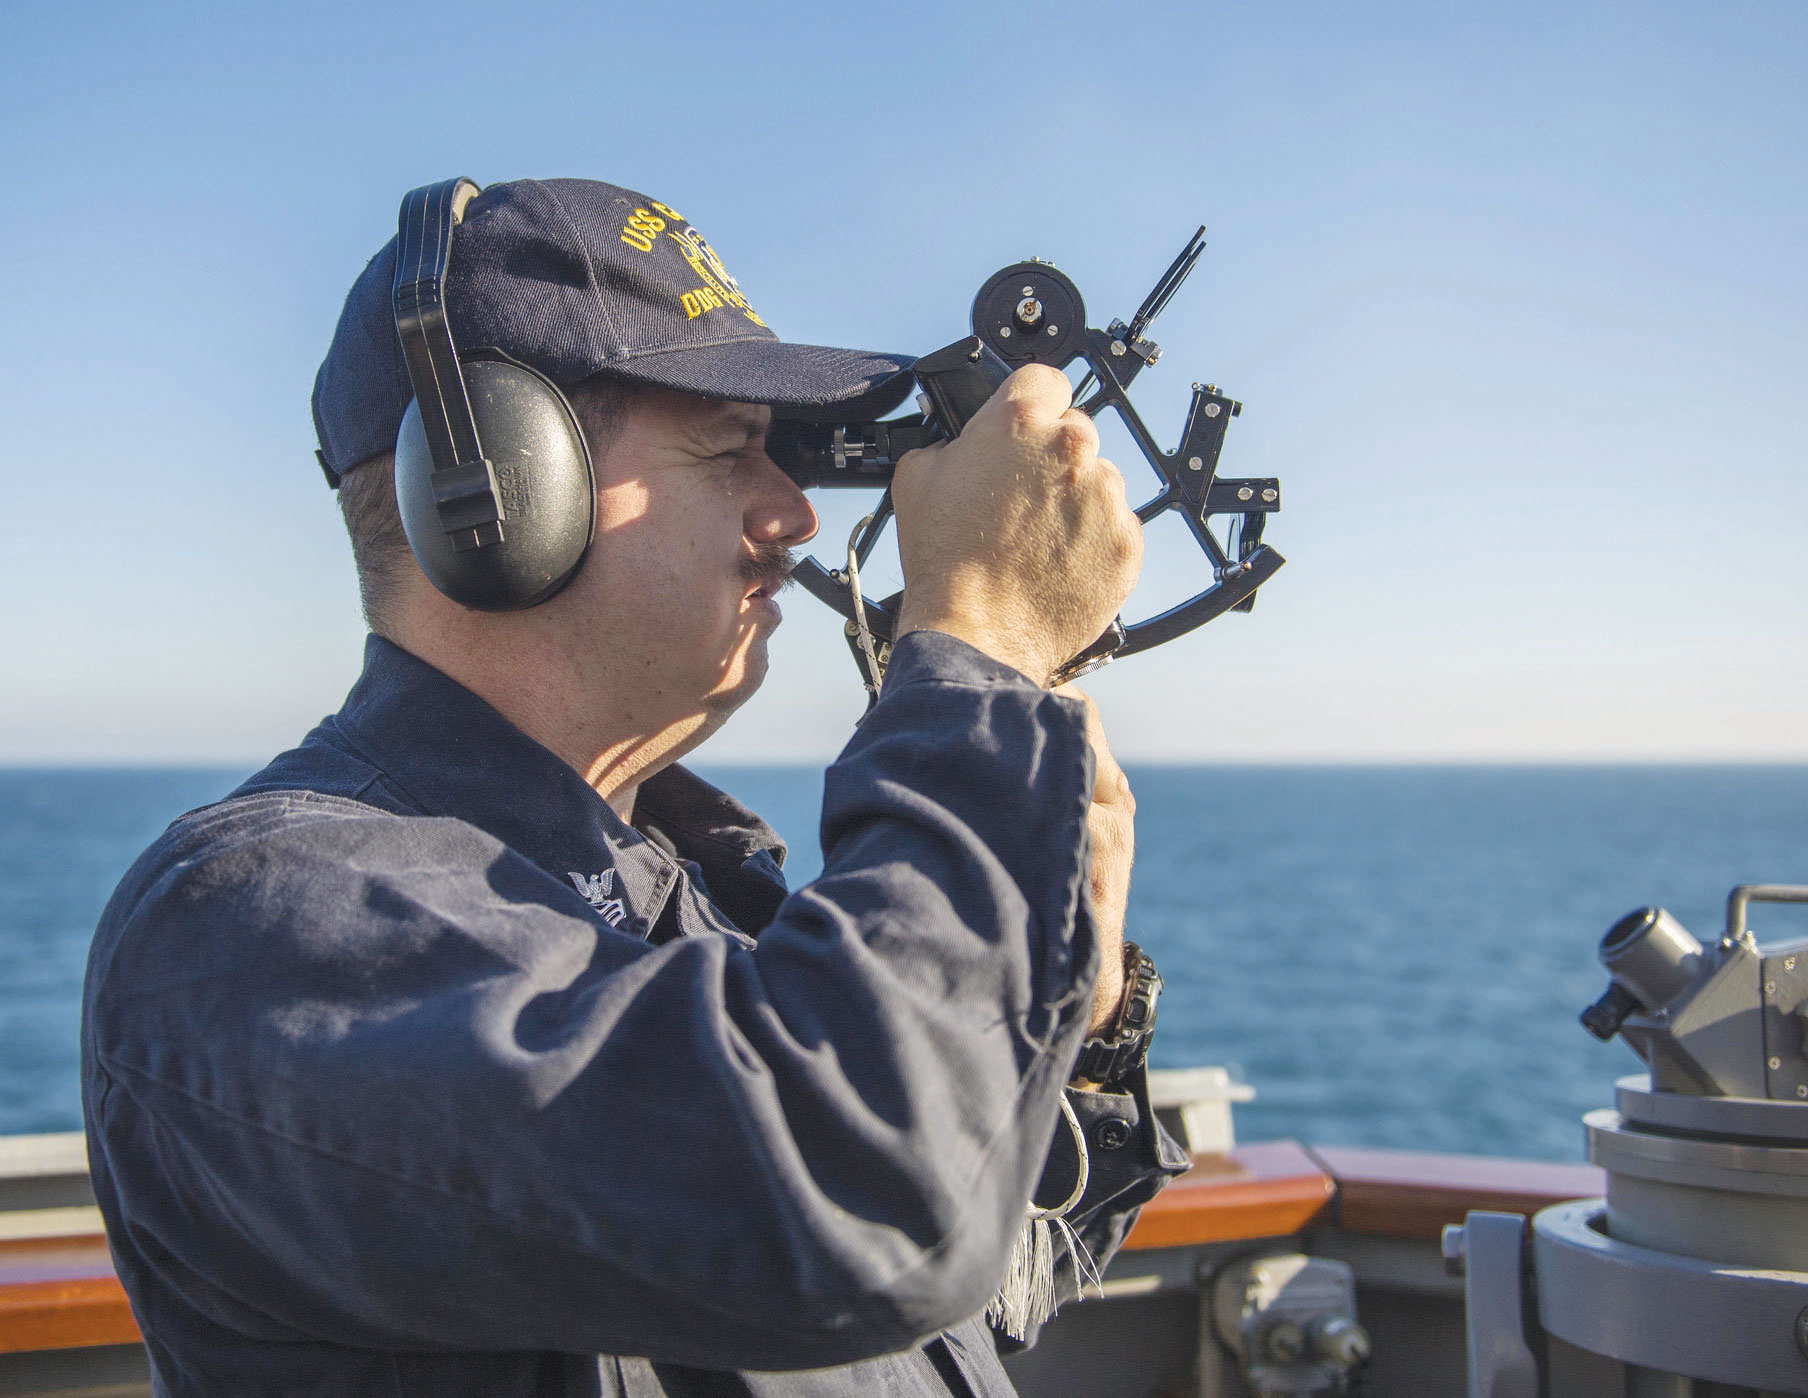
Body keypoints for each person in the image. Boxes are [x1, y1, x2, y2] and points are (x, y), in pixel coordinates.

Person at [81, 177, 1187, 1397]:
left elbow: (945, 1296)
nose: (795, 517)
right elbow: (859, 1209)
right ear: (496, 492)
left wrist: (1080, 1027)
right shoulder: (251, 931)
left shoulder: (691, 889)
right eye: (729, 454)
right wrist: (979, 646)